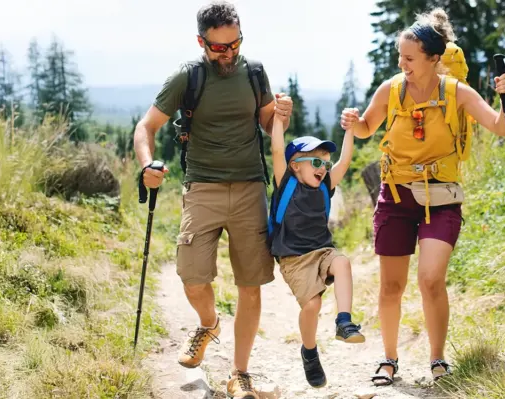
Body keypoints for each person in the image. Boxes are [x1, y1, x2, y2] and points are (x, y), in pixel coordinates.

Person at [339, 7, 505, 386]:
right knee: (391, 286)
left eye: (409, 58)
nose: (402, 64)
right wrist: (356, 123)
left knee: (431, 279)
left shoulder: (457, 92)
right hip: (397, 195)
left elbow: (501, 127)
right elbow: (371, 126)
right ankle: (389, 359)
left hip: (441, 197)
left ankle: (437, 359)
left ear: (434, 59)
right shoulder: (392, 89)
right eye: (400, 56)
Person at [132, 1, 293, 398]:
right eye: (218, 47)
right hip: (201, 186)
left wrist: (281, 116)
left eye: (234, 44)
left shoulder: (254, 72)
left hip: (250, 187)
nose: (228, 53)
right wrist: (148, 163)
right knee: (191, 275)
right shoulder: (187, 77)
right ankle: (208, 322)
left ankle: (240, 373)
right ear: (201, 41)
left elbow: (268, 122)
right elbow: (146, 126)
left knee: (251, 284)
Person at [266, 110, 363, 388]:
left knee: (342, 262)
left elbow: (344, 160)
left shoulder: (325, 186)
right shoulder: (287, 183)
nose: (322, 166)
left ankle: (344, 322)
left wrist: (350, 129)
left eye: (324, 162)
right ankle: (309, 352)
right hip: (294, 258)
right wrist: (277, 119)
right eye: (315, 161)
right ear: (295, 165)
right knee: (312, 304)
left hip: (322, 251)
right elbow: (275, 148)